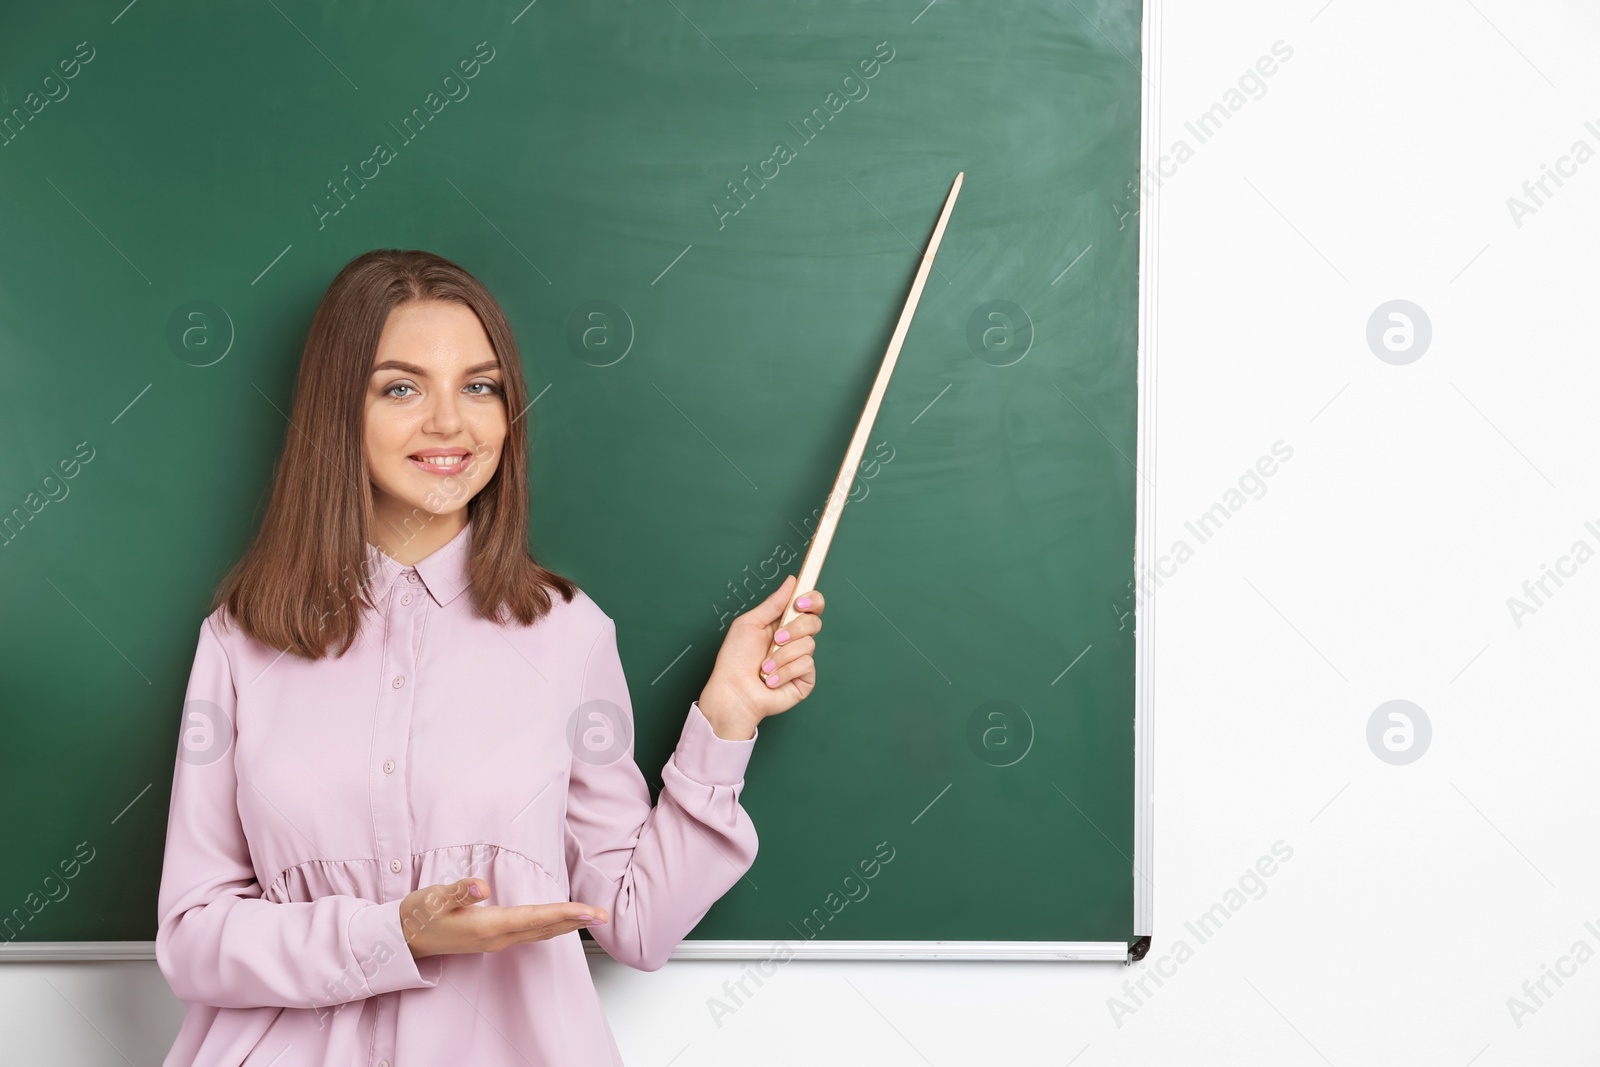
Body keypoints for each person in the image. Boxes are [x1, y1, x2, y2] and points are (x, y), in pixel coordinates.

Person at [155, 248, 826, 1065]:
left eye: (481, 386)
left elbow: (636, 925)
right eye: (401, 387)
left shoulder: (568, 634)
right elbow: (191, 938)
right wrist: (391, 930)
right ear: (340, 411)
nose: (451, 423)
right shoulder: (240, 638)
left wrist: (726, 719)